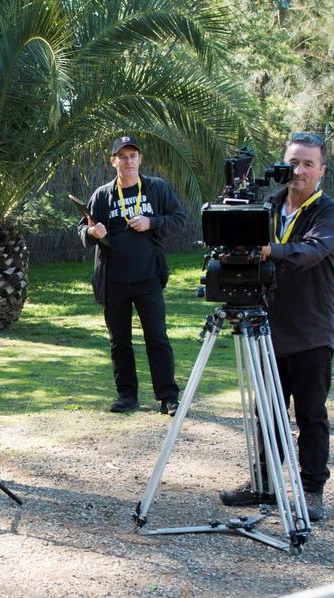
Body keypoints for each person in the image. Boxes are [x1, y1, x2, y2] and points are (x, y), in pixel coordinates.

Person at [219, 133, 334, 522]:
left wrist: (270, 250)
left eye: (308, 163)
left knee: (310, 414)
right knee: (268, 411)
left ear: (321, 170)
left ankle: (312, 490)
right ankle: (265, 483)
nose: (299, 170)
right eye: (294, 162)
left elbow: (311, 251)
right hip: (266, 324)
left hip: (311, 326)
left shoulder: (329, 210)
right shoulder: (267, 206)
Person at [79, 135, 189, 415]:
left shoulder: (156, 188)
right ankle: (127, 395)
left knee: (157, 337)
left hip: (148, 277)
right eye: (122, 157)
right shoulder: (102, 195)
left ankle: (168, 397)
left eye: (133, 156)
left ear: (140, 159)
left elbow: (180, 219)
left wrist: (152, 222)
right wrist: (92, 232)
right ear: (113, 161)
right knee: (119, 341)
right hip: (113, 280)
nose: (128, 161)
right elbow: (83, 229)